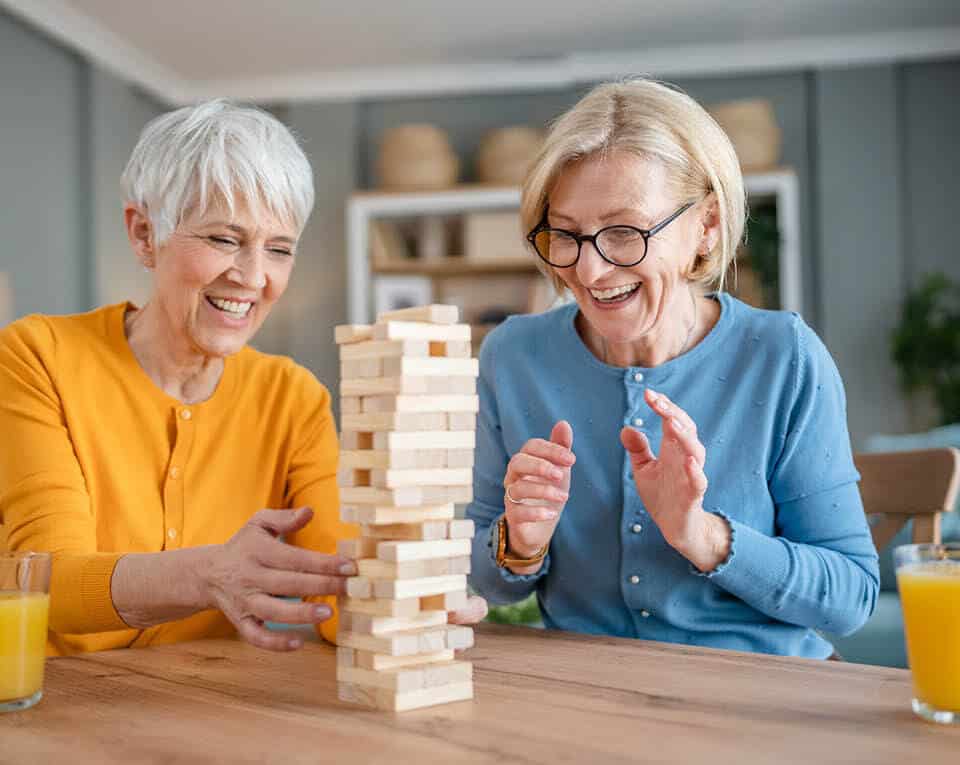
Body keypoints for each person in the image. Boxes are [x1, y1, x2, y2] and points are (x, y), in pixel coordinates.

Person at [0, 100, 485, 656]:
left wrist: (406, 605)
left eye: (278, 249)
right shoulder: (39, 356)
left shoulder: (293, 397)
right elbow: (48, 585)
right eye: (223, 240)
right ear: (142, 233)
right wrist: (206, 574)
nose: (253, 276)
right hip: (52, 708)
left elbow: (336, 577)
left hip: (208, 713)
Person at [467, 79, 878, 658]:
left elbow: (851, 598)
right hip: (585, 694)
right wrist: (521, 542)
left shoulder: (783, 356)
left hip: (759, 694)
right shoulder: (511, 356)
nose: (589, 270)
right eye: (565, 234)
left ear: (706, 226)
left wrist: (702, 535)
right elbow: (484, 580)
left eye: (624, 232)